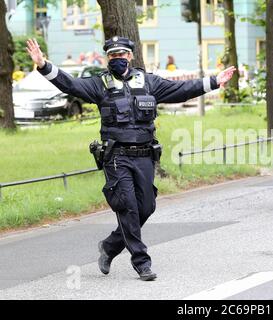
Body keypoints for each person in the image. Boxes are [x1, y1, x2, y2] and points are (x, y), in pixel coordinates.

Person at [26, 36, 236, 281]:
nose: (118, 59)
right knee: (128, 207)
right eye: (113, 56)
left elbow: (180, 90)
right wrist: (43, 65)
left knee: (147, 207)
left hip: (145, 155)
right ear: (108, 58)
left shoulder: (148, 82)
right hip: (117, 157)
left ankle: (110, 246)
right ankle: (141, 262)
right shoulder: (99, 84)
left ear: (130, 56)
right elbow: (70, 85)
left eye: (122, 55)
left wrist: (213, 82)